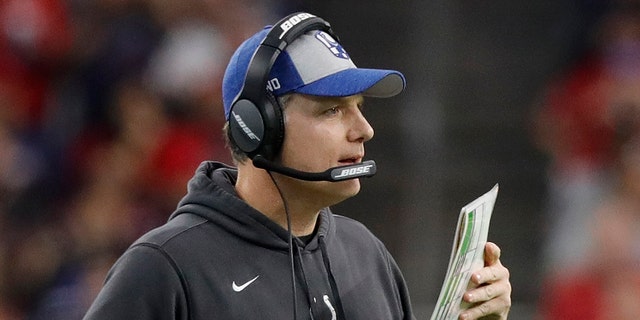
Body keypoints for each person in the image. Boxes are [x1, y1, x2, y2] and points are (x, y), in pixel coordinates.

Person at [83, 12, 511, 320]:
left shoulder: (367, 255)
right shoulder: (164, 267)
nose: (364, 129)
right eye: (332, 111)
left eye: (358, 108)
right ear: (258, 127)